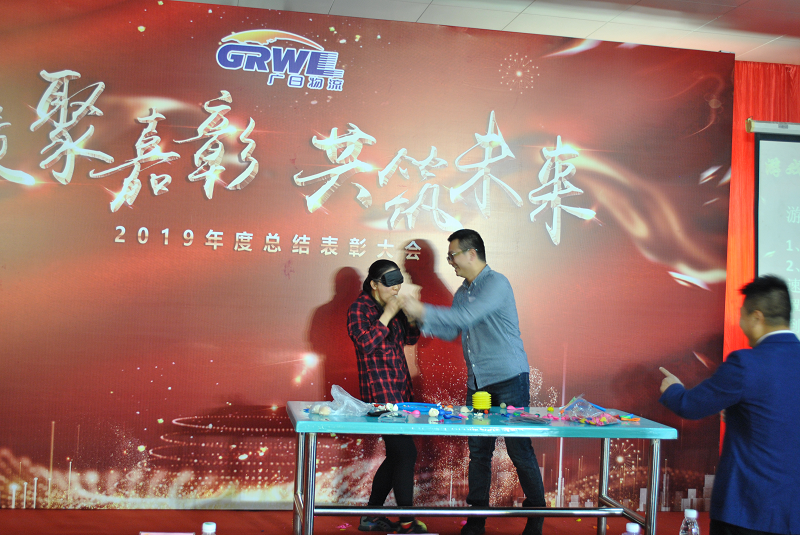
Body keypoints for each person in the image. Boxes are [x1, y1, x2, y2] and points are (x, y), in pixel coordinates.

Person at [402, 229, 546, 535]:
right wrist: (419, 320)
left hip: (509, 378)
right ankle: (477, 518)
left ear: (471, 253)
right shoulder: (462, 292)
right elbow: (453, 330)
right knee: (479, 451)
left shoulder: (496, 283)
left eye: (452, 255)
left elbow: (465, 318)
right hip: (478, 383)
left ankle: (537, 514)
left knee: (519, 449)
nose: (451, 262)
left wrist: (421, 308)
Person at [659, 275, 800, 535]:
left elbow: (690, 406)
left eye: (742, 315)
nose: (741, 323)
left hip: (746, 512)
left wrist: (673, 389)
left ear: (757, 317)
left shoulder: (746, 363)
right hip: (792, 517)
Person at [347, 259, 427, 534]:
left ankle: (371, 517)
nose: (395, 289)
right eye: (390, 283)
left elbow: (410, 339)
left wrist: (412, 315)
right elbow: (365, 344)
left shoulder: (393, 304)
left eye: (398, 283)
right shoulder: (359, 308)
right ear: (373, 284)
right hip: (379, 394)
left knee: (396, 455)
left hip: (401, 389)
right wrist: (388, 314)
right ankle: (407, 523)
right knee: (405, 453)